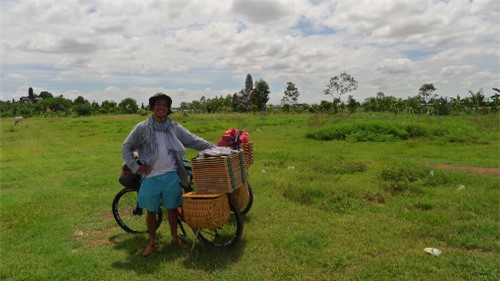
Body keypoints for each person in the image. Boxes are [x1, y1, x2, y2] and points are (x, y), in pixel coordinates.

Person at [122, 93, 215, 256]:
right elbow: (126, 147)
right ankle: (152, 241)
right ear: (152, 107)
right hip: (150, 177)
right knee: (151, 212)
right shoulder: (142, 128)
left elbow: (193, 140)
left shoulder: (174, 127)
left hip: (171, 175)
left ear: (168, 109)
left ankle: (174, 238)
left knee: (172, 209)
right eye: (158, 104)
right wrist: (136, 167)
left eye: (165, 105)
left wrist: (215, 148)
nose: (161, 107)